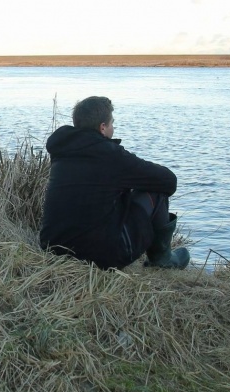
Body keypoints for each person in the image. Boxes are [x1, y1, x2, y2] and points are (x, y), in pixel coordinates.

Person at [39, 96, 190, 270]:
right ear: (102, 128)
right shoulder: (112, 155)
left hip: (53, 248)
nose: (113, 128)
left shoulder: (61, 151)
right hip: (100, 257)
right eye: (112, 123)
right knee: (156, 190)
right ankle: (162, 260)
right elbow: (169, 181)